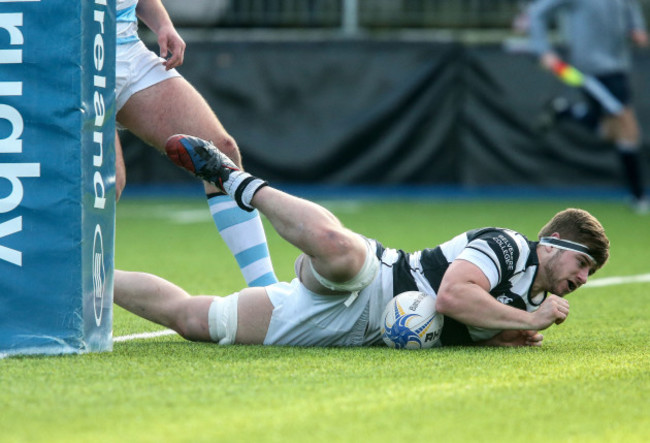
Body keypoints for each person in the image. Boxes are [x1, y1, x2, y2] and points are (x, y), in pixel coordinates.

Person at [113, 134, 610, 348]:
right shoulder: (510, 246)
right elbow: (453, 296)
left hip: (350, 330)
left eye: (590, 274)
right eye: (583, 263)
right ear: (552, 240)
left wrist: (505, 335)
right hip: (379, 278)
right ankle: (235, 180)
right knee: (342, 249)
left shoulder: (534, 299)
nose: (583, 279)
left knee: (196, 321)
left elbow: (465, 326)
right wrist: (527, 320)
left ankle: (85, 273)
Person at [114, 0, 278, 287]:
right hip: (72, 60)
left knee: (219, 151)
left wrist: (163, 24)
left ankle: (267, 292)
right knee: (107, 183)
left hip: (126, 48)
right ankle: (61, 295)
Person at [528, 0, 649, 213]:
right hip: (589, 70)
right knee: (627, 126)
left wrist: (636, 29)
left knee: (613, 131)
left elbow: (631, 11)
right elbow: (537, 11)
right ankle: (638, 198)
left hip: (618, 68)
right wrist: (543, 50)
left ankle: (565, 111)